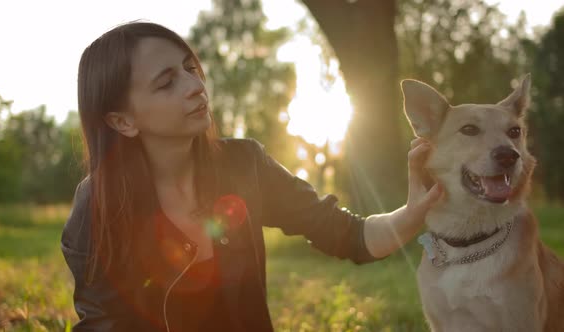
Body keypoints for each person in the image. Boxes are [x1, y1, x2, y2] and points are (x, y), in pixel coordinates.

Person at [60, 21, 443, 332]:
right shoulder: (96, 206)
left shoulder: (245, 164)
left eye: (190, 69)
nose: (196, 87)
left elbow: (347, 234)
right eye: (166, 82)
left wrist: (413, 212)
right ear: (122, 121)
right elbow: (103, 325)